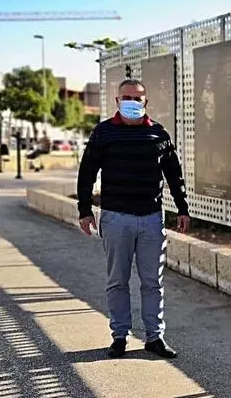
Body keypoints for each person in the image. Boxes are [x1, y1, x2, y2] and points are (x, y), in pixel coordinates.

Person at [77, 78, 191, 359]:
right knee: (117, 281)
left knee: (153, 282)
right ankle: (119, 336)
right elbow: (87, 172)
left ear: (145, 102)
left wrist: (182, 208)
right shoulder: (103, 133)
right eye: (126, 97)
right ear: (117, 101)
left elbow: (173, 174)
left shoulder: (158, 134)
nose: (131, 102)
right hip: (116, 218)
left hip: (151, 219)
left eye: (137, 98)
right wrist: (84, 210)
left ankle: (155, 337)